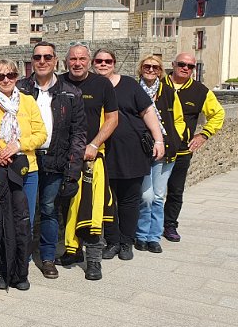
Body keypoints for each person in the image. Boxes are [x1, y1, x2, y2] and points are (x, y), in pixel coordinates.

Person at [17, 42, 86, 279]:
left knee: (49, 209)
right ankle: (23, 256)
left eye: (47, 57)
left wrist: (73, 169)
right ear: (32, 60)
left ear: (56, 60)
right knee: (24, 210)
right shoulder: (21, 88)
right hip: (26, 157)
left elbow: (78, 134)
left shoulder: (71, 92)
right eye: (38, 57)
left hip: (55, 158)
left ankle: (47, 257)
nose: (42, 61)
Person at [92, 49, 164, 262]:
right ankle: (112, 241)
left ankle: (126, 242)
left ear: (114, 63)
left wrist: (158, 140)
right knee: (108, 200)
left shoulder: (129, 85)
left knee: (130, 200)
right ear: (93, 63)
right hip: (103, 152)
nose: (103, 64)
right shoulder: (91, 86)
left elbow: (148, 111)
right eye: (99, 61)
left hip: (131, 151)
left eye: (108, 61)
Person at [61, 42, 119, 280]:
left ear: (89, 61)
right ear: (66, 61)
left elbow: (113, 119)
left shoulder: (102, 84)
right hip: (63, 157)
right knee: (65, 207)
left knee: (93, 209)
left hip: (91, 157)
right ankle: (72, 251)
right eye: (73, 59)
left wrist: (94, 144)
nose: (77, 63)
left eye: (82, 59)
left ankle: (94, 260)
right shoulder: (59, 83)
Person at [0, 59, 46, 290]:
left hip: (26, 168)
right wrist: (1, 151)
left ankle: (21, 271)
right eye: (0, 76)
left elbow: (41, 134)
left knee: (24, 221)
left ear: (17, 77)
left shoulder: (28, 101)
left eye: (10, 75)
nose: (6, 80)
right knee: (0, 222)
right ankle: (4, 270)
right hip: (0, 168)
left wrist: (18, 145)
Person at [162, 52, 225, 242]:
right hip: (155, 149)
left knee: (175, 191)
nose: (185, 68)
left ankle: (170, 225)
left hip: (182, 151)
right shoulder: (158, 84)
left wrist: (204, 135)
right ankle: (144, 227)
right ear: (173, 64)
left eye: (190, 66)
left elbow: (218, 114)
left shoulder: (200, 91)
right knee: (149, 193)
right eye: (182, 64)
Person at [135, 56, 186, 253]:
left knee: (158, 196)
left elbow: (179, 119)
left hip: (166, 151)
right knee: (145, 196)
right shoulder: (134, 89)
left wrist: (175, 138)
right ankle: (141, 233)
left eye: (155, 67)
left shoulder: (168, 92)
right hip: (141, 150)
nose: (151, 70)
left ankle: (153, 237)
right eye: (147, 66)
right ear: (141, 69)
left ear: (160, 71)